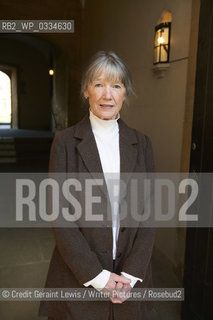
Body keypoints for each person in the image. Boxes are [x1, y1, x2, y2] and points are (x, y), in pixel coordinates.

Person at [39, 51, 155, 320]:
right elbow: (60, 215)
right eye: (99, 84)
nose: (107, 95)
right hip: (78, 278)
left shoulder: (142, 143)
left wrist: (129, 275)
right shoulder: (66, 142)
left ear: (125, 93)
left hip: (130, 283)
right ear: (86, 91)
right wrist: (99, 278)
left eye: (116, 85)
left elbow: (150, 212)